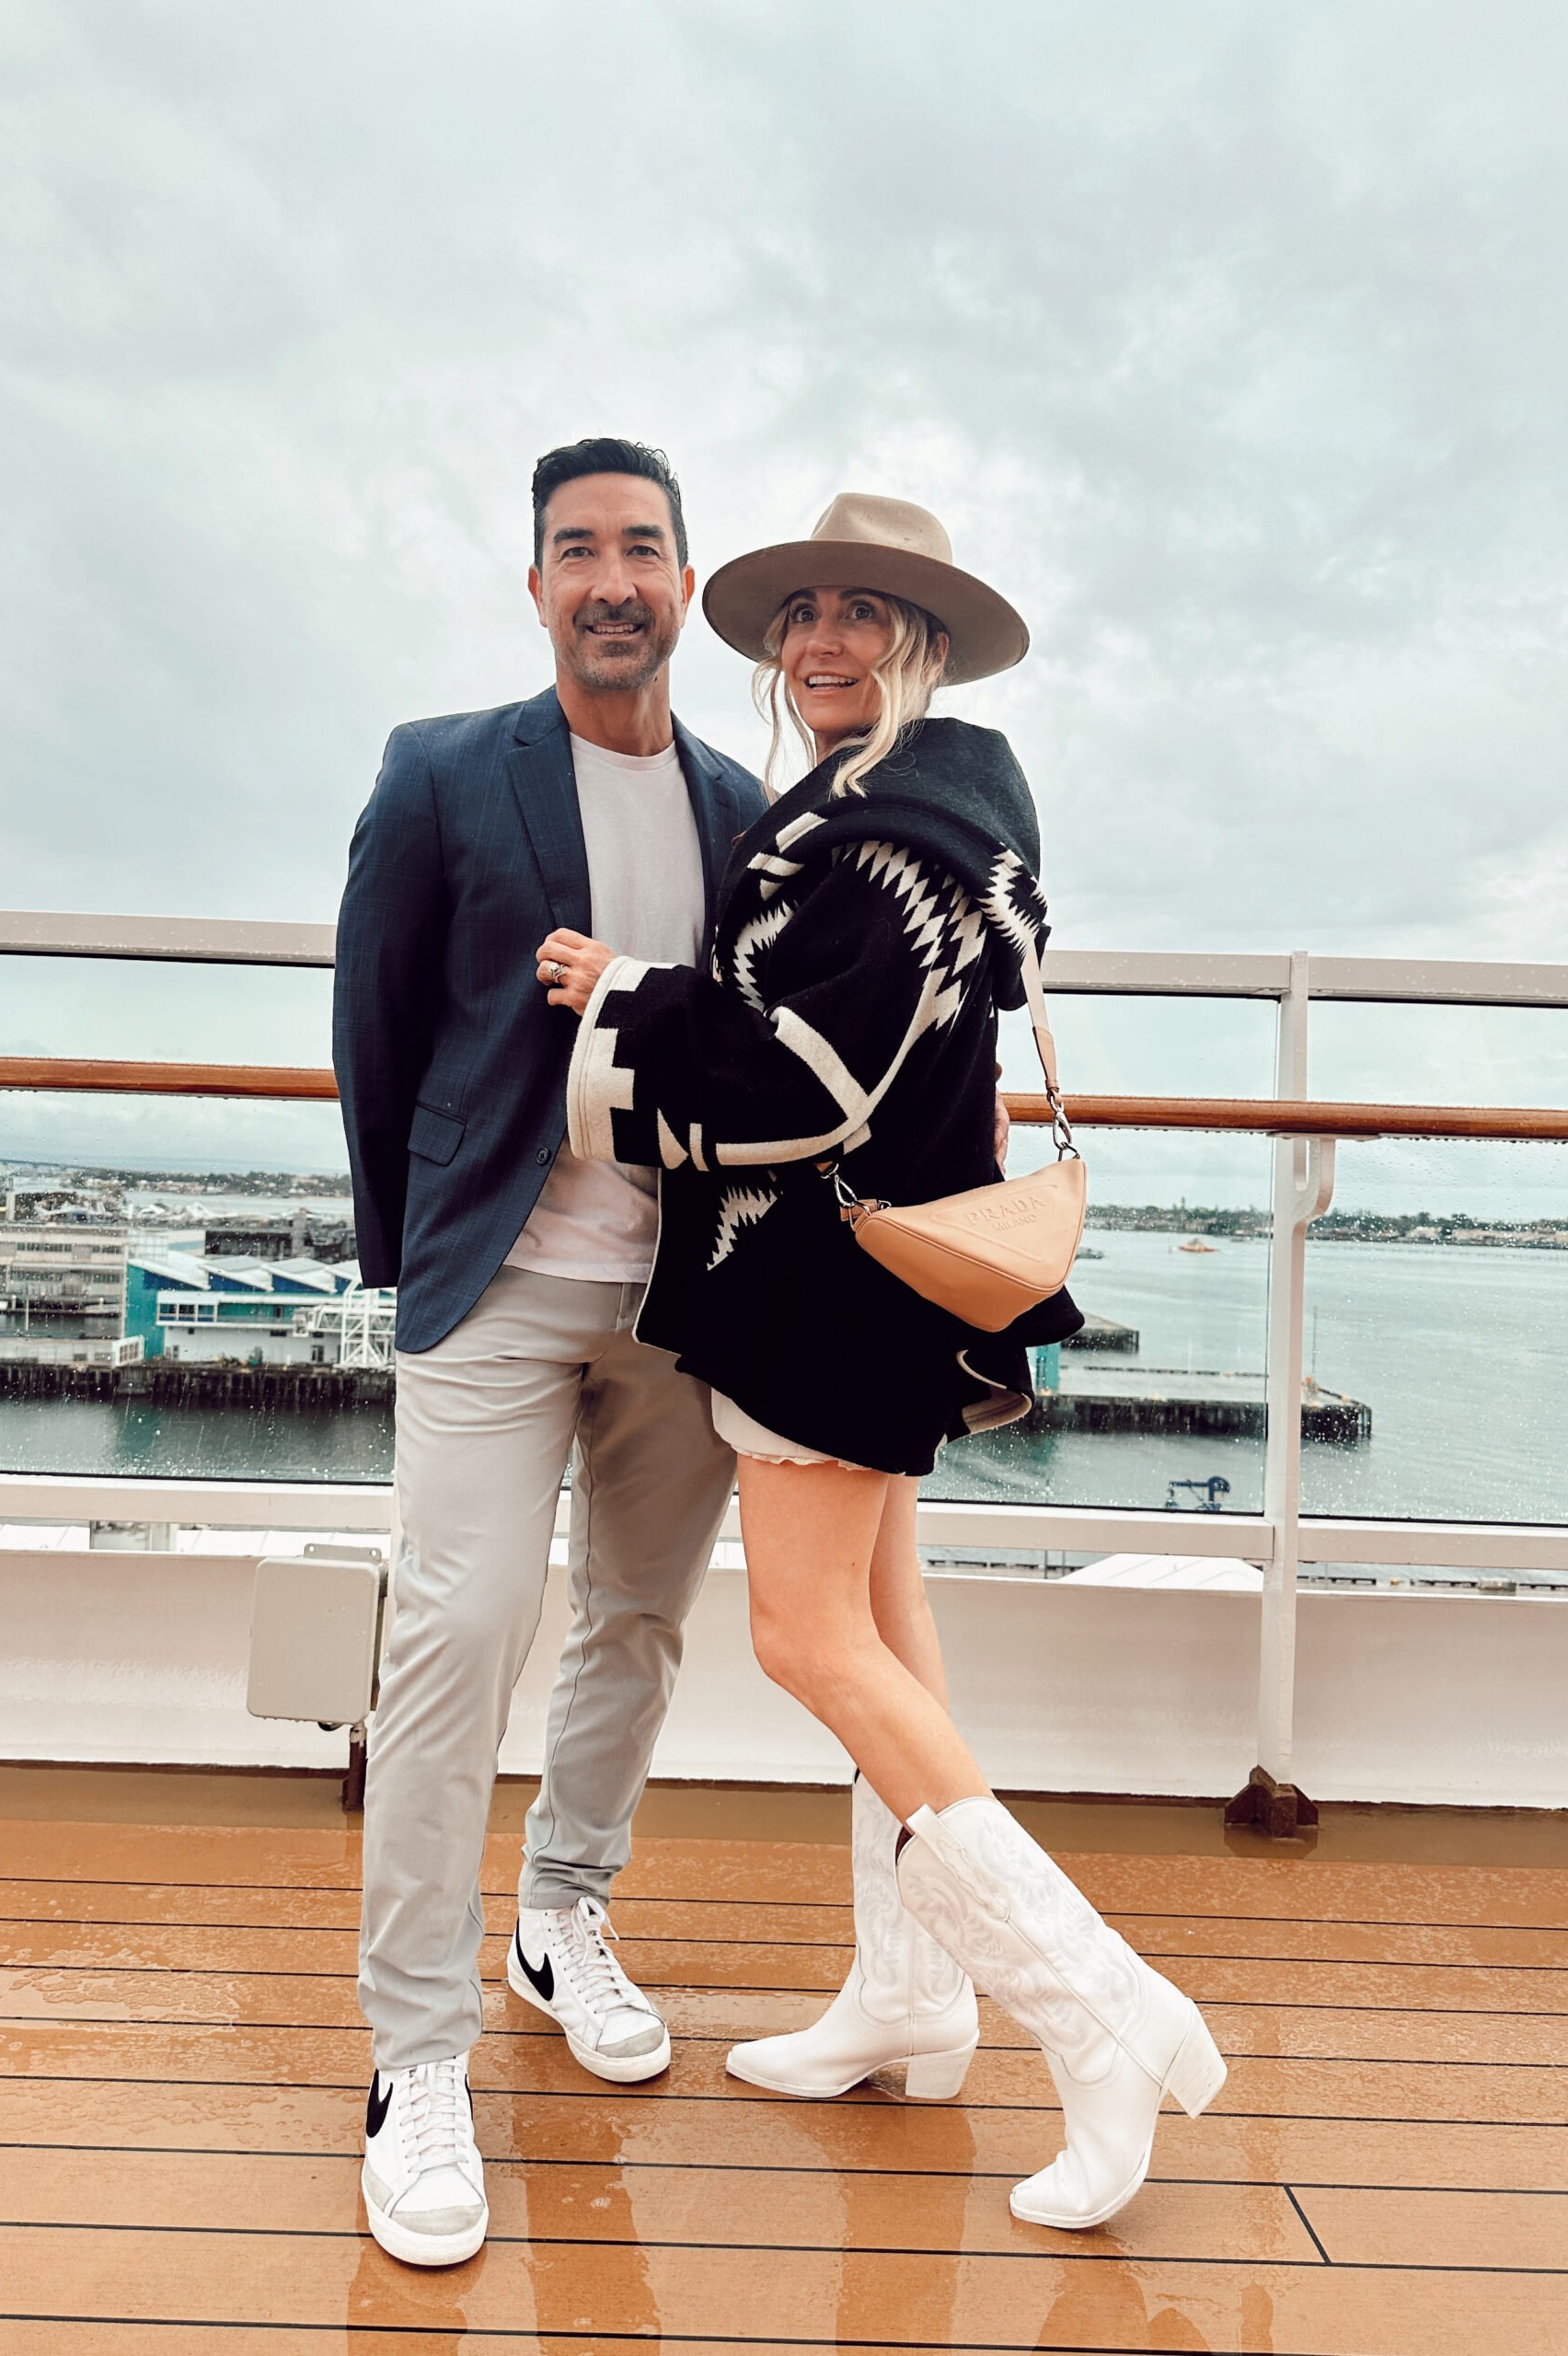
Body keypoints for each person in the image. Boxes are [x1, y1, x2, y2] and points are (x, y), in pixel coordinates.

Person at [536, 492, 1227, 2233]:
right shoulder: (891, 806)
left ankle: (1099, 2014)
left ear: (921, 643)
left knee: (806, 1635)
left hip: (824, 1280)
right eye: (803, 615)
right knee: (895, 1634)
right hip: (876, 1266)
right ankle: (911, 2002)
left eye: (864, 615)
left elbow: (802, 1081)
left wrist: (625, 993)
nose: (821, 641)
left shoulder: (889, 834)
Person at [332, 437, 766, 2268]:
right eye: (576, 548)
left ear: (684, 582)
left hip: (685, 1293)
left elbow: (764, 1051)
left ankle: (561, 1912)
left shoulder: (751, 806)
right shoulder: (442, 771)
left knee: (641, 1624)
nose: (611, 576)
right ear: (535, 587)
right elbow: (373, 1023)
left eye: (643, 547)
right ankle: (411, 2055)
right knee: (456, 1636)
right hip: (500, 1281)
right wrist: (407, 1253)